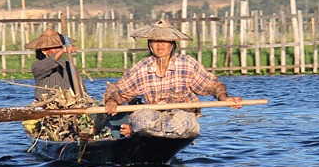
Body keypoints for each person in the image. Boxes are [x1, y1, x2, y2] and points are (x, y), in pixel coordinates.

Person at [103, 18, 243, 138]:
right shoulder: (142, 68)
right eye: (156, 41)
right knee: (141, 117)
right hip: (153, 115)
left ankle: (140, 133)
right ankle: (137, 133)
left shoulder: (186, 64)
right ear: (150, 44)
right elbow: (118, 89)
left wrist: (224, 98)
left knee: (176, 122)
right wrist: (112, 100)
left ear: (172, 44)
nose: (160, 45)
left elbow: (212, 85)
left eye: (165, 41)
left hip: (181, 115)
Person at [26, 27, 78, 102]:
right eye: (54, 47)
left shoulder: (69, 66)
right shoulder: (37, 66)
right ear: (44, 51)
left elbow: (80, 87)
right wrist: (62, 52)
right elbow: (50, 62)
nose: (58, 49)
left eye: (60, 47)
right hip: (48, 104)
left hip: (70, 103)